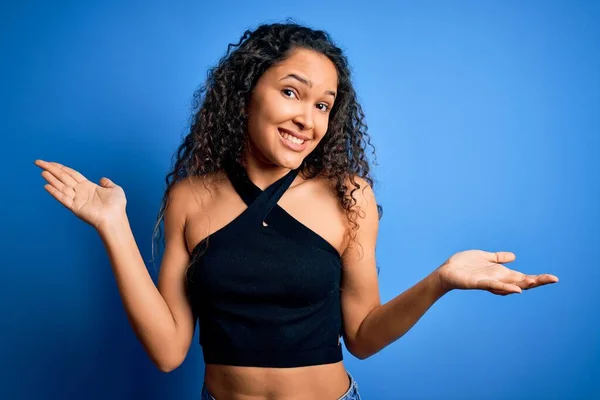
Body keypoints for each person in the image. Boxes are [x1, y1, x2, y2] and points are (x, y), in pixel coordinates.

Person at [34, 21, 559, 400]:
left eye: (323, 105)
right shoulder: (190, 198)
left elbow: (363, 337)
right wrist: (114, 227)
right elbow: (169, 351)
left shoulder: (349, 197)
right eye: (292, 92)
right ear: (246, 96)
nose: (307, 118)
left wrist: (440, 280)